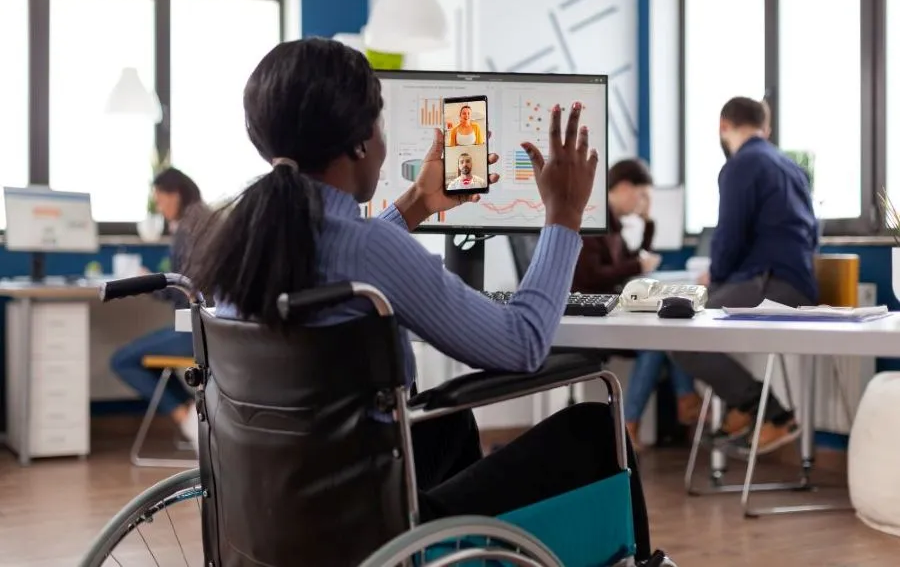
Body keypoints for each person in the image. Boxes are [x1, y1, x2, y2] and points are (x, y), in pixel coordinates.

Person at [190, 38, 653, 560]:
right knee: (593, 427)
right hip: (373, 528)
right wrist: (564, 216)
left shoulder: (239, 244)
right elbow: (523, 344)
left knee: (448, 426)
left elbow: (345, 260)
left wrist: (415, 206)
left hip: (275, 515)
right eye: (380, 125)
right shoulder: (366, 248)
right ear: (361, 143)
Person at [673, 96, 818, 455]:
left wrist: (716, 278)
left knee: (680, 333)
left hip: (770, 286)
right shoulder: (790, 165)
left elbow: (730, 235)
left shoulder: (741, 165)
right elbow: (812, 233)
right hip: (800, 284)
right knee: (694, 323)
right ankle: (742, 409)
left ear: (723, 126)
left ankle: (770, 412)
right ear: (765, 129)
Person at [571, 158, 700, 451]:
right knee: (657, 341)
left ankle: (672, 404)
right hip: (590, 314)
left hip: (609, 309)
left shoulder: (613, 226)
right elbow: (590, 275)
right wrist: (636, 265)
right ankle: (642, 418)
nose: (644, 203)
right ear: (626, 188)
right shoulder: (594, 221)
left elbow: (627, 261)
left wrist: (648, 226)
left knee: (666, 332)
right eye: (642, 195)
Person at [110, 167, 208, 452]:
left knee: (122, 360)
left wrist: (146, 282)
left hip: (194, 329)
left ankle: (190, 421)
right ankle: (193, 416)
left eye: (161, 199)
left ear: (175, 194)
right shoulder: (206, 220)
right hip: (216, 325)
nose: (161, 208)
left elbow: (183, 287)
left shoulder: (187, 231)